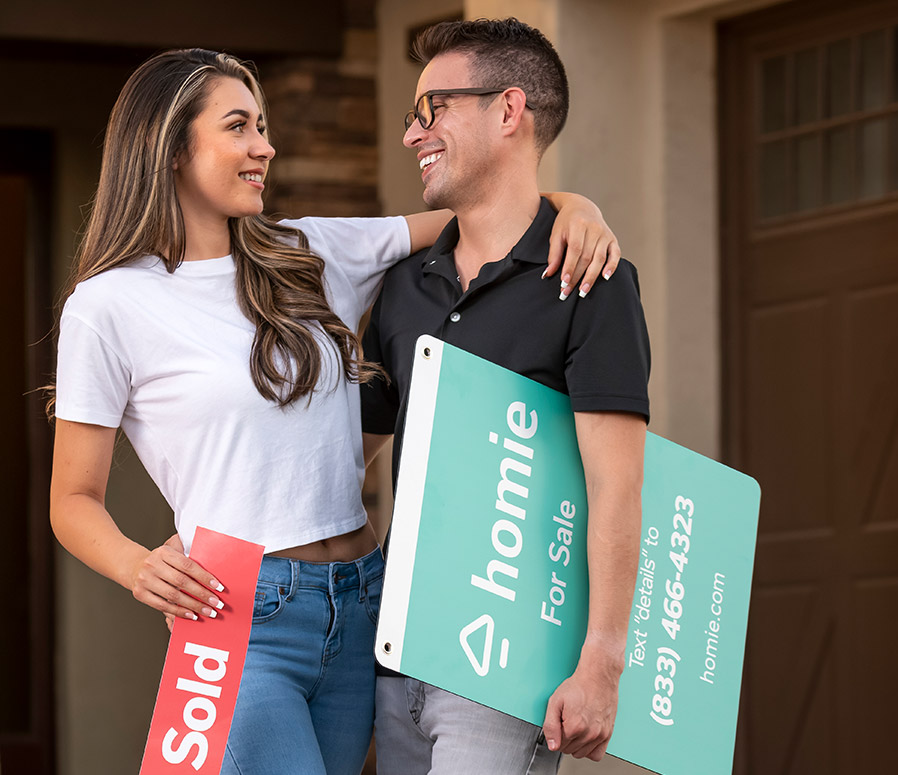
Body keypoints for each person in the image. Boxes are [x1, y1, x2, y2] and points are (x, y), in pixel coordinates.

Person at [48, 47, 620, 775]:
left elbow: (479, 214)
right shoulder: (108, 306)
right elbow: (72, 499)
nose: (265, 146)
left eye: (263, 126)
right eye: (239, 128)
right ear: (169, 147)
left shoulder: (310, 250)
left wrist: (577, 207)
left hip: (363, 607)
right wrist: (136, 565)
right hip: (236, 616)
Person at [361, 18, 650, 775]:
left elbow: (616, 487)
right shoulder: (401, 288)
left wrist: (602, 663)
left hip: (501, 674)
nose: (412, 134)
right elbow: (347, 463)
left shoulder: (591, 279)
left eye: (434, 109)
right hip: (394, 663)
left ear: (509, 110)